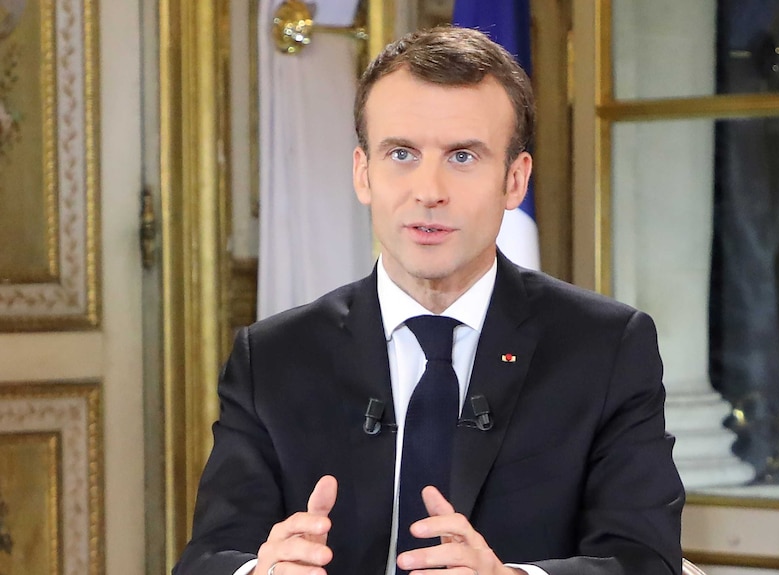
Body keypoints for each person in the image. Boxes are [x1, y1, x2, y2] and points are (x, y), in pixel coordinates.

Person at [173, 26, 684, 575]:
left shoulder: (604, 348)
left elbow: (644, 560)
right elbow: (207, 559)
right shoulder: (272, 357)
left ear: (515, 180)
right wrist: (262, 572)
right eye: (401, 153)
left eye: (463, 156)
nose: (429, 190)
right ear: (362, 173)